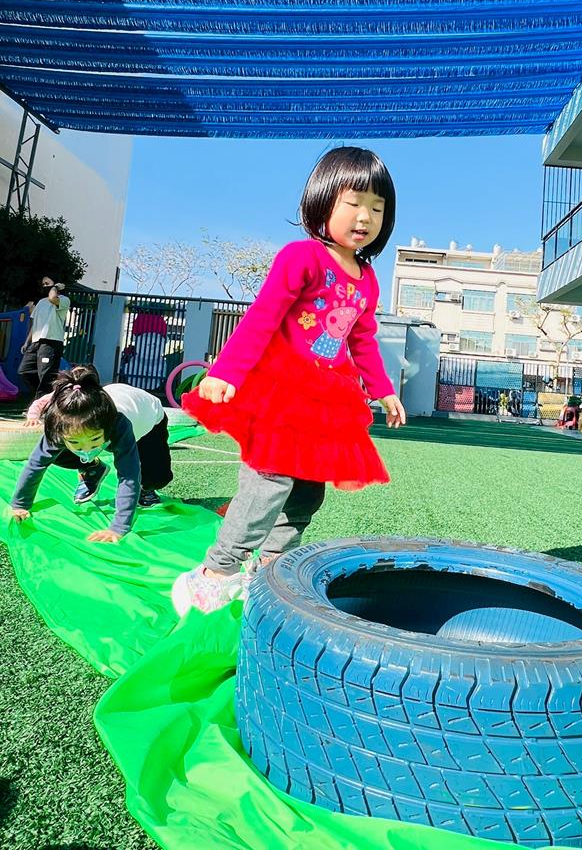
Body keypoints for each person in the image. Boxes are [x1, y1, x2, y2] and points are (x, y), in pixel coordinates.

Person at [172, 146, 406, 614]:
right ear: (323, 201)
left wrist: (382, 389)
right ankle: (215, 573)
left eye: (377, 208)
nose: (365, 217)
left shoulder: (367, 279)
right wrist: (225, 372)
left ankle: (271, 566)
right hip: (281, 390)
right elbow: (262, 317)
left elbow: (362, 339)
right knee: (268, 480)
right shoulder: (303, 257)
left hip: (326, 399)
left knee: (307, 489)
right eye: (354, 203)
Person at [9, 366, 173, 541]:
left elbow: (129, 475)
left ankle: (147, 489)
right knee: (55, 454)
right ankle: (93, 468)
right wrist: (20, 504)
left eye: (94, 439)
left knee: (156, 477)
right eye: (75, 442)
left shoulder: (119, 424)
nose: (87, 449)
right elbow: (36, 463)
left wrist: (119, 527)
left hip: (150, 423)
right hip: (107, 421)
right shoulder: (60, 424)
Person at [19, 276, 71, 398]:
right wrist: (27, 342)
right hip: (36, 343)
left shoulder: (64, 300)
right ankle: (49, 394)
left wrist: (55, 287)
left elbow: (52, 298)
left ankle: (42, 402)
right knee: (24, 371)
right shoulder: (41, 302)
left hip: (51, 342)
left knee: (46, 375)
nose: (44, 286)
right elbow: (35, 324)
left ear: (57, 284)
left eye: (47, 283)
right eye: (43, 284)